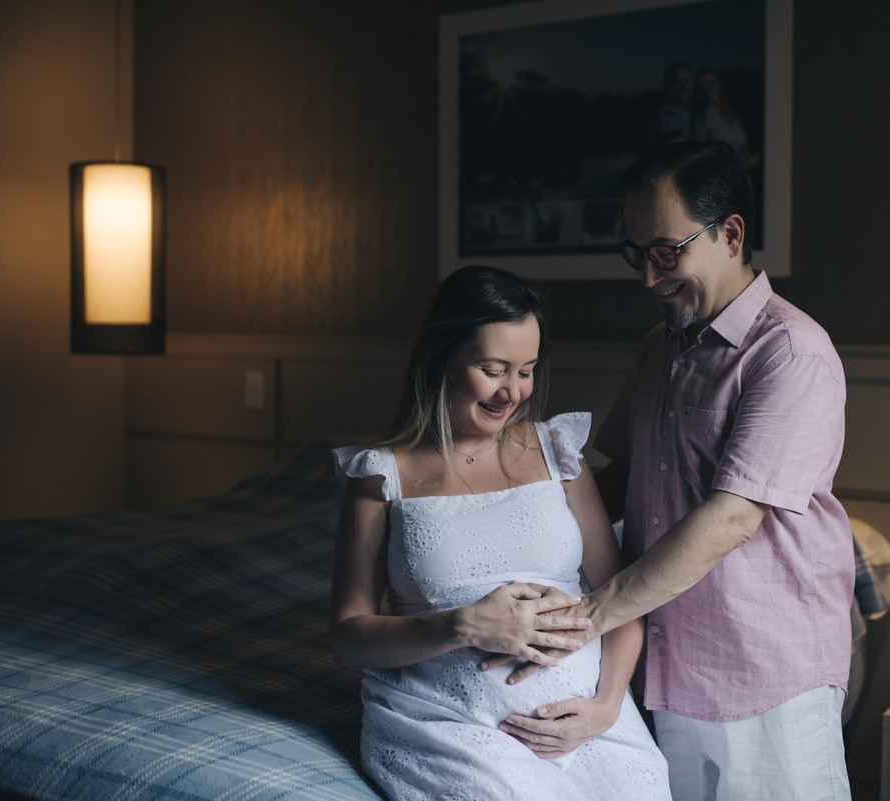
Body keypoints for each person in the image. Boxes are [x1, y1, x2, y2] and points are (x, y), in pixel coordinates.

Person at [486, 141, 855, 800]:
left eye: (666, 251)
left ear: (731, 234)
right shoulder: (660, 347)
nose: (648, 278)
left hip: (768, 669)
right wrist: (509, 542)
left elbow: (731, 518)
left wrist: (585, 616)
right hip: (673, 662)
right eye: (637, 254)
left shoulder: (791, 352)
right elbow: (614, 481)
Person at [329, 266, 670, 800]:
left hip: (584, 717)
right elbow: (348, 638)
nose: (512, 391)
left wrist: (605, 707)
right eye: (493, 369)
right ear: (442, 354)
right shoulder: (381, 474)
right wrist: (462, 626)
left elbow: (622, 599)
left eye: (527, 370)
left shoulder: (558, 453)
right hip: (449, 724)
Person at [696, 69, 760, 173]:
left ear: (719, 84)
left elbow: (743, 146)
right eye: (702, 87)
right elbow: (701, 160)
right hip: (725, 178)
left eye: (711, 84)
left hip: (744, 175)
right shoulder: (702, 119)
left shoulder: (733, 115)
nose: (707, 90)